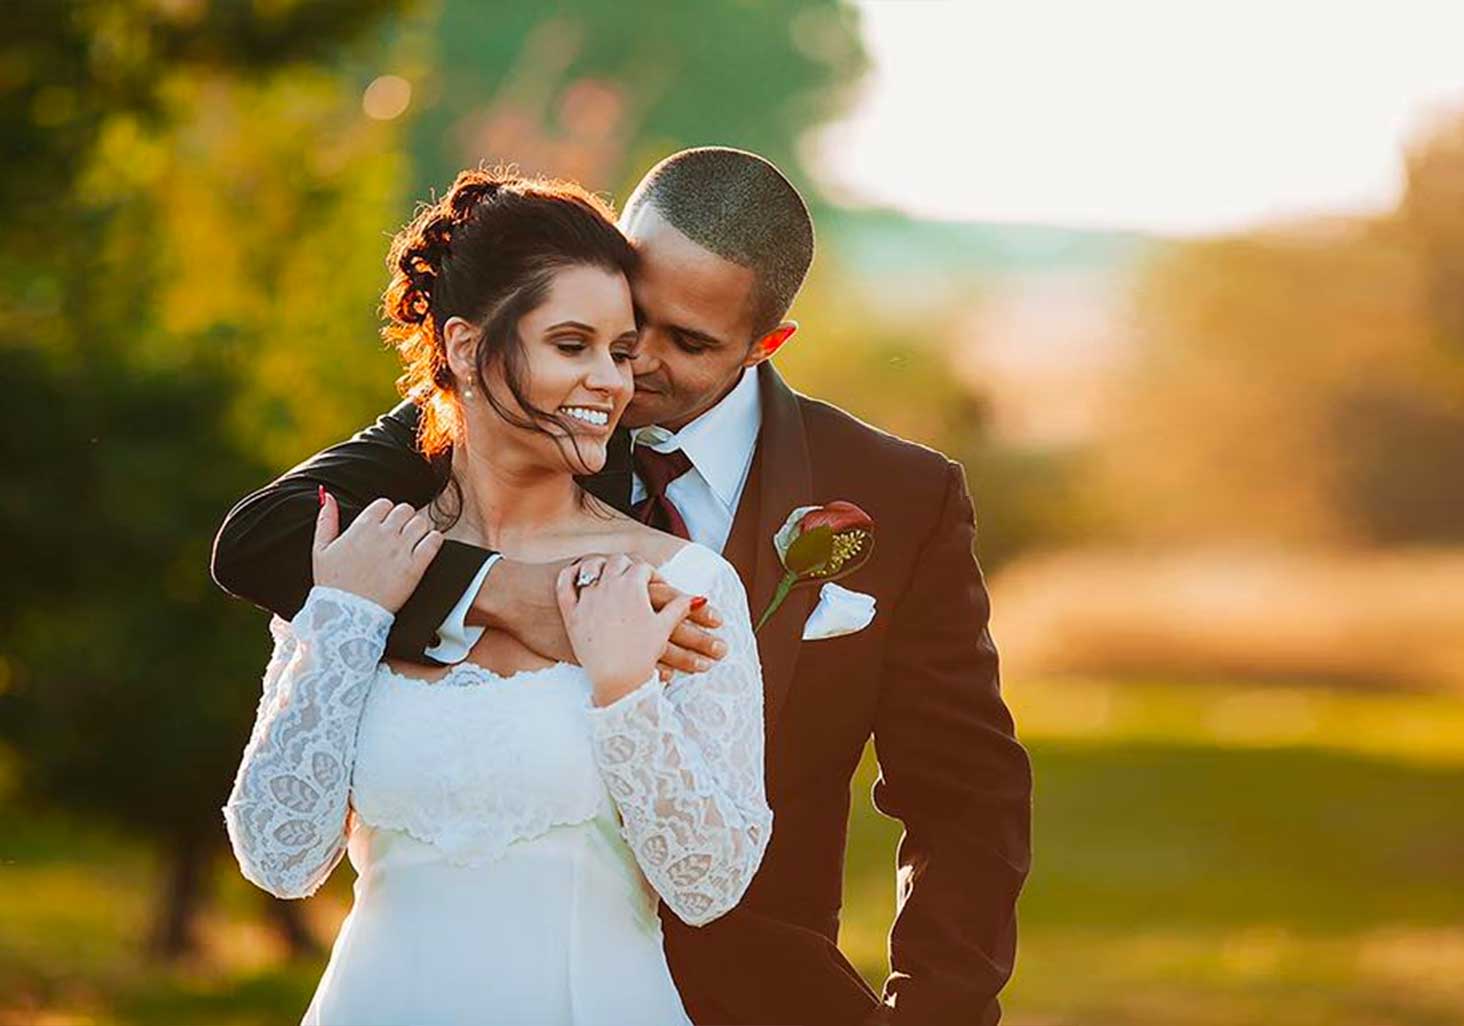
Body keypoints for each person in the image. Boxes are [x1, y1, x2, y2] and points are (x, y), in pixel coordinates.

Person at [213, 147, 1033, 1026]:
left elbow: (963, 796)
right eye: (617, 324)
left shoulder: (897, 495)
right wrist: (500, 589)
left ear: (766, 345)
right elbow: (262, 539)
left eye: (685, 343)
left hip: (759, 997)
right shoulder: (482, 416)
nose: (626, 369)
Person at [220, 169, 770, 1026]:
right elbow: (280, 858)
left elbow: (709, 885)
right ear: (469, 349)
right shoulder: (365, 561)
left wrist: (626, 693)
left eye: (620, 353)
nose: (612, 383)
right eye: (571, 345)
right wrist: (346, 620)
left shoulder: (680, 585)